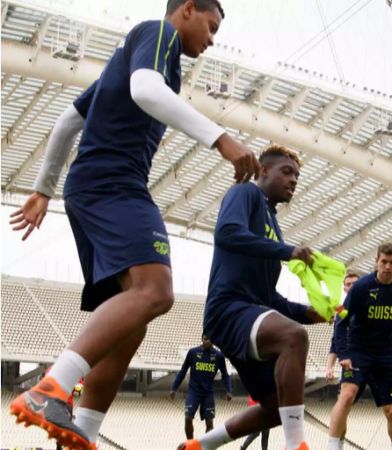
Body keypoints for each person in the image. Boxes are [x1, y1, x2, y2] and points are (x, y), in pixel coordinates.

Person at [7, 1, 258, 448]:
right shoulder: (157, 36)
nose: (213, 39)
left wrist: (45, 190)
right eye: (211, 25)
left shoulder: (129, 56)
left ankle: (81, 432)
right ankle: (51, 388)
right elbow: (145, 90)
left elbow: (67, 121)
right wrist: (221, 138)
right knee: (156, 291)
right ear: (186, 10)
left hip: (88, 188)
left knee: (132, 317)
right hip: (114, 182)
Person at [180, 144, 325, 450]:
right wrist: (288, 252)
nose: (293, 180)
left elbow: (268, 296)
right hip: (228, 308)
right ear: (263, 170)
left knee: (274, 408)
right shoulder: (245, 193)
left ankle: (201, 445)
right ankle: (295, 444)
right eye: (287, 172)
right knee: (293, 338)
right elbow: (227, 233)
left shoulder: (274, 225)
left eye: (297, 176)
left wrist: (306, 312)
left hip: (250, 311)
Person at [328, 243, 392, 450]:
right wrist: (343, 355)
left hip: (385, 351)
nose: (387, 266)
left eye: (391, 262)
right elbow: (341, 321)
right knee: (347, 396)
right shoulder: (361, 288)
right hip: (358, 349)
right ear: (376, 261)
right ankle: (333, 446)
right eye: (383, 262)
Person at [169, 336, 233, 439]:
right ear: (201, 339)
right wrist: (174, 388)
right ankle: (190, 444)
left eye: (210, 339)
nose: (207, 341)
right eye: (205, 339)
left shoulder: (218, 356)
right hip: (193, 392)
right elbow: (183, 371)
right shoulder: (193, 353)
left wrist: (229, 390)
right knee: (188, 418)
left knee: (209, 423)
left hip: (208, 393)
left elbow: (225, 374)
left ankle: (207, 446)